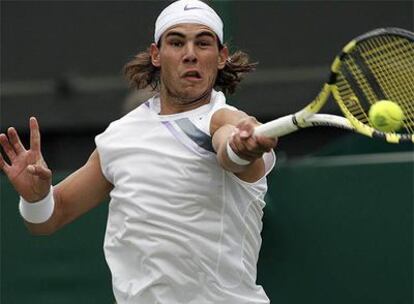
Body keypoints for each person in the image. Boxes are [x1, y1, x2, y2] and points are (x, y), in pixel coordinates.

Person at [0, 0, 277, 303]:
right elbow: (48, 219)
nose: (190, 54)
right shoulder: (120, 137)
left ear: (221, 57)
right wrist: (36, 197)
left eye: (203, 43)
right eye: (176, 42)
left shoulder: (223, 120)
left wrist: (242, 146)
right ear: (157, 55)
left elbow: (229, 148)